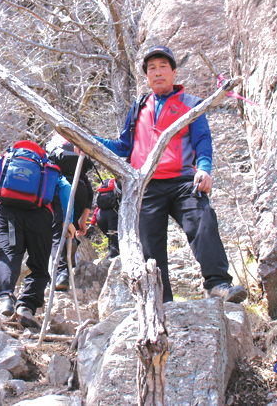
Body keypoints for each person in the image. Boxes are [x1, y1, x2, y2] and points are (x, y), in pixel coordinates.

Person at [93, 45, 247, 303]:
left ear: (174, 72)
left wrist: (205, 170)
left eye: (163, 66)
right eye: (151, 68)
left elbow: (202, 141)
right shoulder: (139, 106)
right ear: (147, 76)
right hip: (145, 185)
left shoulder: (191, 104)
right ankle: (161, 302)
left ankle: (218, 284)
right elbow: (123, 146)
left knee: (203, 219)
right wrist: (91, 143)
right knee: (150, 247)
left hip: (182, 182)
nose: (157, 72)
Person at [0, 140, 76, 329]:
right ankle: (26, 307)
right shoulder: (47, 165)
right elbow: (67, 189)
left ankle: (4, 298)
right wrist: (68, 220)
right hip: (40, 217)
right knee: (38, 266)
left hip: (7, 213)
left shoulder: (4, 160)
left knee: (8, 258)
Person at [46, 134, 94, 291]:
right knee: (68, 229)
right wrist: (83, 220)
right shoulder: (78, 159)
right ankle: (68, 259)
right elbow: (89, 190)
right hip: (80, 190)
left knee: (57, 231)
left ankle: (61, 273)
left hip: (60, 189)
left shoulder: (53, 152)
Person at [93, 177, 121, 259]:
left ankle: (111, 255)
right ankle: (113, 257)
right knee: (115, 241)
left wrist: (92, 224)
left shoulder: (101, 201)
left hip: (100, 216)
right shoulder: (117, 189)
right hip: (113, 214)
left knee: (111, 238)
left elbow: (96, 209)